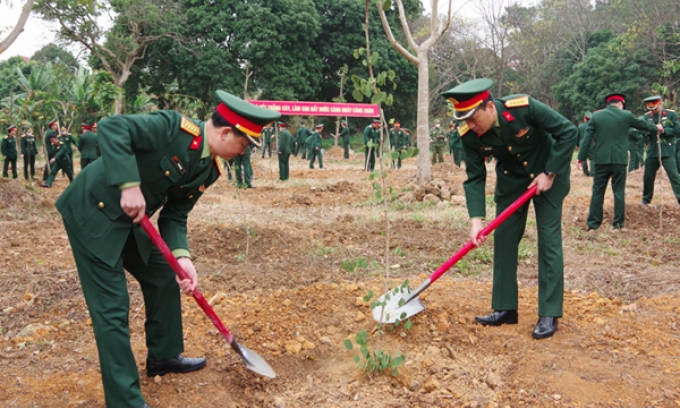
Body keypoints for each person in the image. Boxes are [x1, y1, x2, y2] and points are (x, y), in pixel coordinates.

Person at [55, 90, 280, 408]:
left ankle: (163, 356)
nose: (243, 153)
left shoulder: (209, 169)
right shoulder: (172, 128)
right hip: (93, 210)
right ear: (227, 132)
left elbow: (175, 215)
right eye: (244, 145)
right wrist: (128, 185)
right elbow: (112, 128)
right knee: (113, 309)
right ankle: (124, 401)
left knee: (163, 274)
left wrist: (184, 258)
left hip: (131, 220)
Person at [441, 78, 577, 339]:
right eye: (464, 120)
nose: (469, 125)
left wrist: (549, 173)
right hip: (512, 182)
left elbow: (568, 131)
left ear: (490, 107)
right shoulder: (469, 135)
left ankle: (549, 313)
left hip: (549, 175)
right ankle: (505, 308)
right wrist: (476, 221)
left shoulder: (523, 108)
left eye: (472, 118)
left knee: (548, 240)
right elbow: (475, 177)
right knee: (503, 239)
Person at [577, 93, 658, 231]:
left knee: (597, 192)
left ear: (608, 104)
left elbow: (587, 138)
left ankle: (593, 224)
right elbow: (643, 125)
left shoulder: (597, 116)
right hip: (619, 161)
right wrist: (657, 128)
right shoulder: (626, 116)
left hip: (600, 160)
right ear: (620, 104)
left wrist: (581, 158)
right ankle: (618, 224)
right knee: (619, 192)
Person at [640, 95, 680, 205]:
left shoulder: (671, 114)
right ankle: (646, 198)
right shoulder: (646, 117)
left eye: (655, 108)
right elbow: (642, 132)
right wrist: (651, 130)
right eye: (651, 108)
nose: (653, 110)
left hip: (667, 150)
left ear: (660, 104)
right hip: (653, 150)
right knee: (648, 176)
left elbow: (677, 130)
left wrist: (664, 130)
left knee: (674, 176)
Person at [577, 111, 595, 176]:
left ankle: (586, 172)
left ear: (585, 118)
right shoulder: (593, 125)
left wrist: (577, 145)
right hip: (591, 144)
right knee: (593, 158)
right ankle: (593, 172)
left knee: (583, 158)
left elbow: (578, 136)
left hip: (582, 144)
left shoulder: (580, 126)